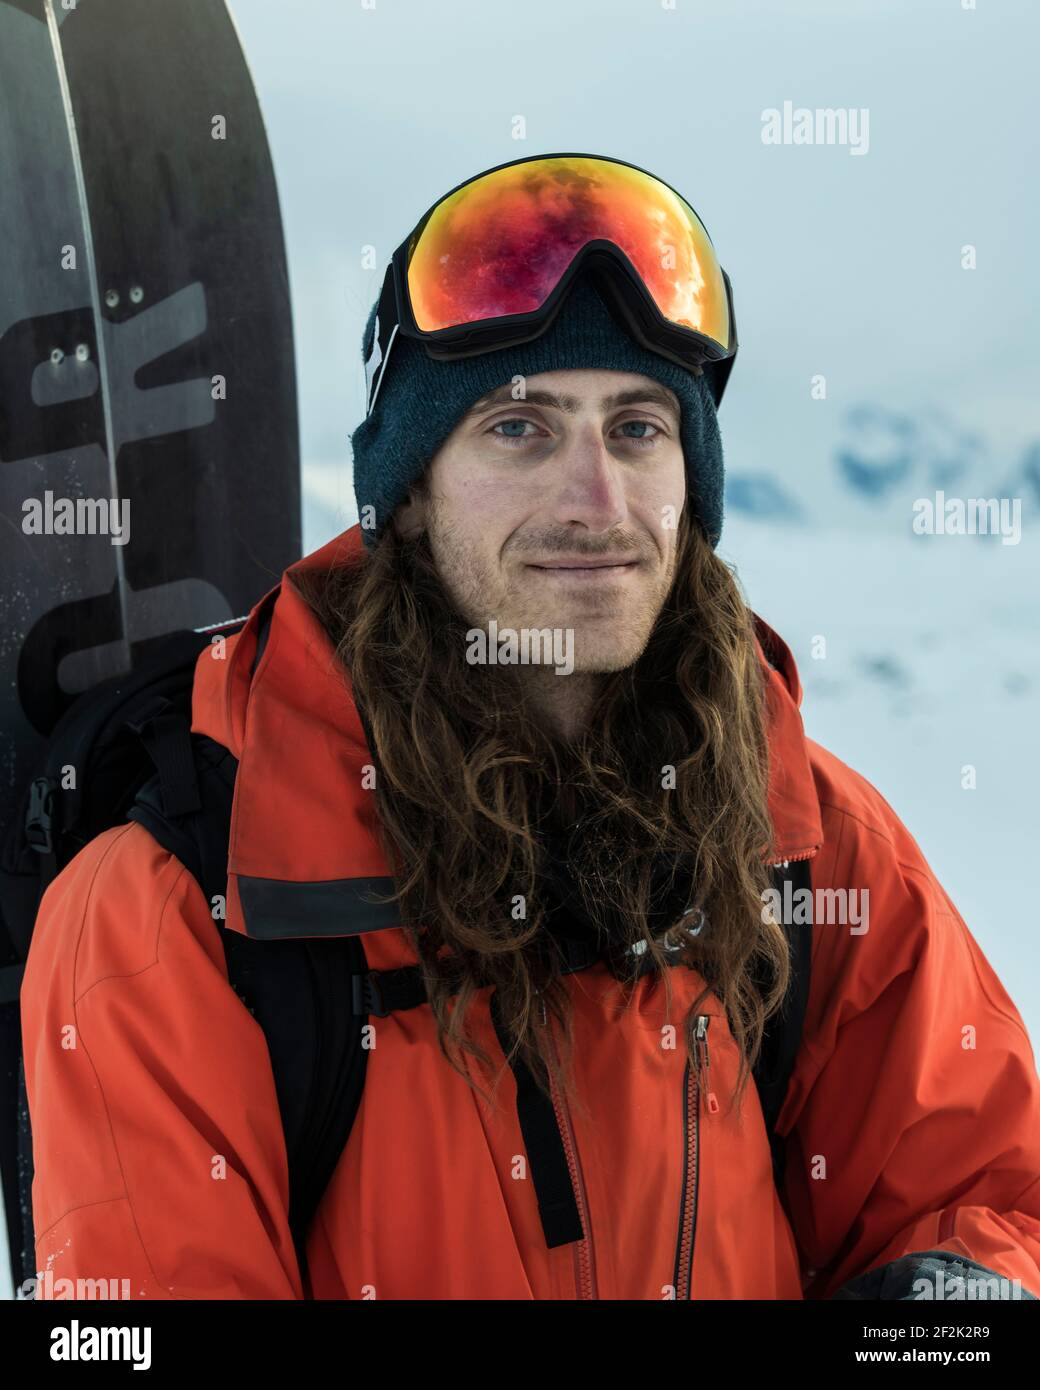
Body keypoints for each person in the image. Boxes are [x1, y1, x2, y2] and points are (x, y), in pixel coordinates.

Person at [21, 154, 1040, 1300]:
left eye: (638, 428)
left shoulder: (803, 845)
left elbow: (991, 1201)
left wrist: (948, 1304)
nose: (593, 502)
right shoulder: (177, 911)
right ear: (405, 496)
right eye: (519, 428)